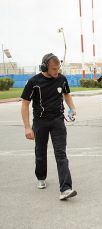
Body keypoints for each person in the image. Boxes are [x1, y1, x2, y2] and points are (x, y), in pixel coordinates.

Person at [21, 53, 77, 200]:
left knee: (61, 154)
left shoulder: (62, 79)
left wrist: (72, 108)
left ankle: (66, 188)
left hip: (58, 121)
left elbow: (67, 95)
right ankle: (41, 177)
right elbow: (25, 104)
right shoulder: (34, 82)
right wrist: (27, 127)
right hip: (40, 123)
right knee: (40, 152)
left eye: (58, 68)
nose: (56, 72)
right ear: (44, 67)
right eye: (53, 69)